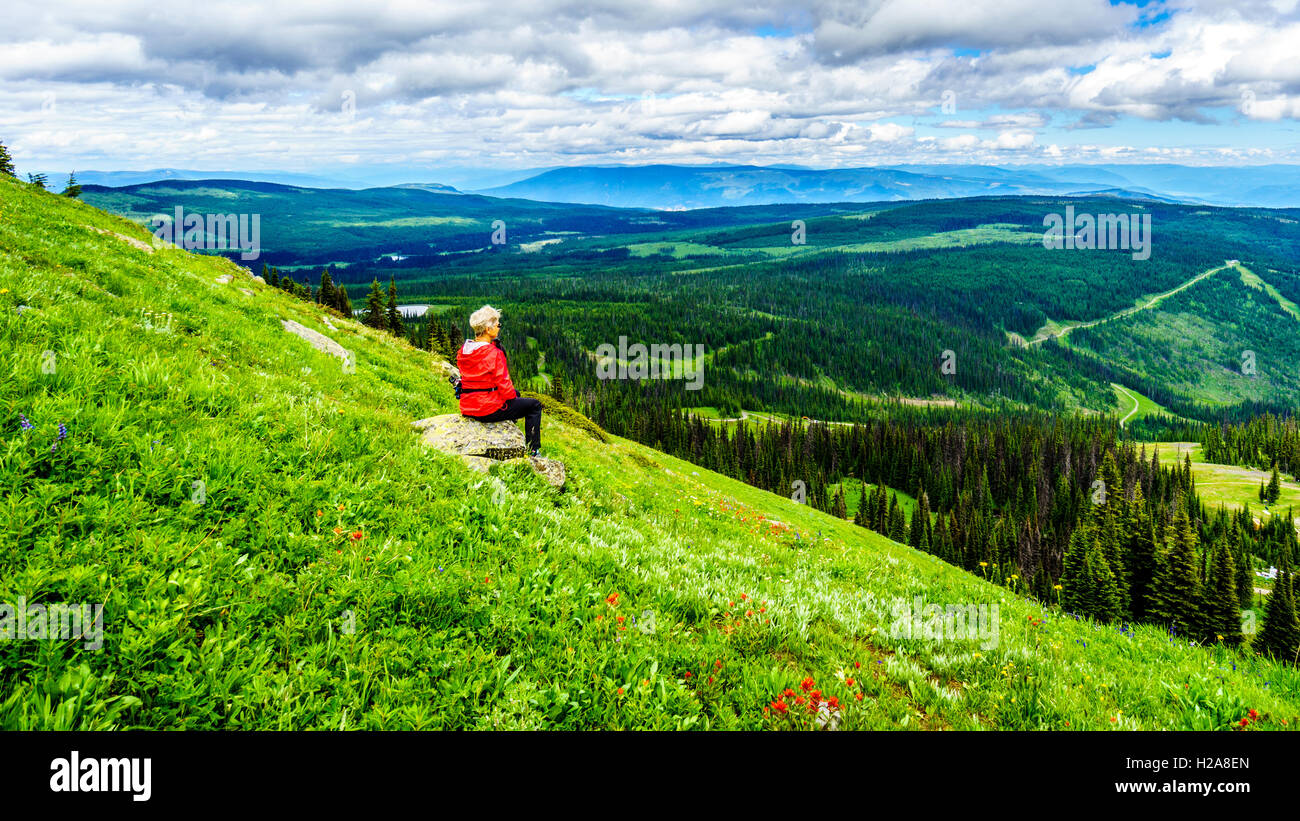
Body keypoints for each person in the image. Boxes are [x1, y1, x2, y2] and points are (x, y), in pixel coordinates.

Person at [457, 304, 542, 456]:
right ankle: (533, 450)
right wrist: (513, 397)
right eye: (497, 325)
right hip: (486, 409)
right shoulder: (493, 353)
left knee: (517, 394)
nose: (499, 328)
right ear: (488, 330)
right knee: (534, 406)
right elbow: (504, 385)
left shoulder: (464, 351)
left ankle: (509, 425)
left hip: (468, 405)